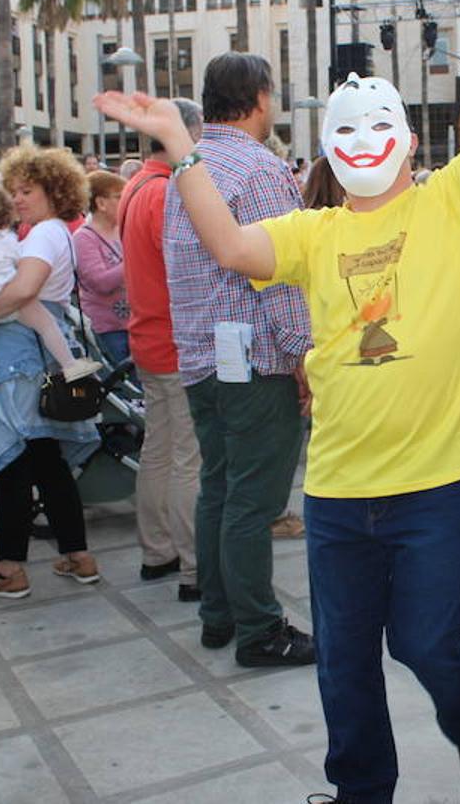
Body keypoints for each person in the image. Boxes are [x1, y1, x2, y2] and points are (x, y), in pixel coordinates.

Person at [96, 0, 460, 804]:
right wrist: (181, 146)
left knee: (429, 643)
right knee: (343, 660)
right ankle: (360, 790)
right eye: (349, 131)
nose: (366, 143)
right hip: (337, 492)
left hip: (437, 484)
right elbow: (228, 244)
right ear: (330, 148)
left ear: (408, 140)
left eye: (381, 128)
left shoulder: (454, 199)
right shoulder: (312, 229)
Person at [161, 53, 314, 668]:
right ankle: (259, 628)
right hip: (255, 357)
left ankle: (218, 614)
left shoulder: (188, 170)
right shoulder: (263, 170)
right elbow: (278, 273)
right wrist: (303, 352)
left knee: (219, 489)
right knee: (254, 499)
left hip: (201, 354)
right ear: (259, 97)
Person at [0, 146, 102, 598]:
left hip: (15, 360)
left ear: (53, 190)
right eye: (15, 190)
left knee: (10, 464)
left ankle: (9, 569)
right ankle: (79, 556)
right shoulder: (57, 231)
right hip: (37, 354)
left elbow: (24, 291)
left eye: (28, 190)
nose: (18, 198)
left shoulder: (42, 235)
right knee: (47, 461)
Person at [119, 100, 203, 601]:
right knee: (186, 458)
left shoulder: (136, 186)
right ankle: (194, 566)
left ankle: (158, 550)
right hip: (174, 339)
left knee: (158, 448)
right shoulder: (166, 192)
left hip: (147, 336)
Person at [0, 179, 100, 379]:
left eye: (26, 192)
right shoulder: (9, 240)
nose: (19, 200)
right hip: (5, 293)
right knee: (46, 324)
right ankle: (69, 364)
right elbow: (22, 275)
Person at [73, 170, 130, 368]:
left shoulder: (123, 229)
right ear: (101, 203)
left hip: (133, 325)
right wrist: (134, 259)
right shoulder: (84, 238)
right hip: (108, 330)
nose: (125, 201)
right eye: (118, 197)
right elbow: (100, 282)